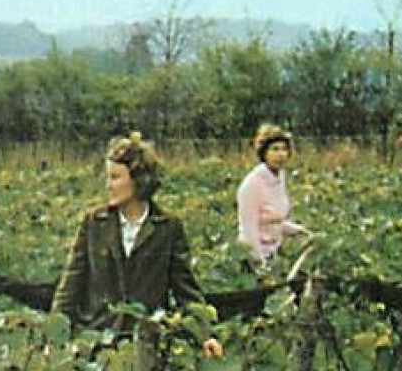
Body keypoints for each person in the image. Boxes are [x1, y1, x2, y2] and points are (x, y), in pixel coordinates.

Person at [51, 132, 210, 329]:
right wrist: (54, 331)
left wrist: (205, 334)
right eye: (108, 178)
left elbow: (187, 292)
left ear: (138, 179)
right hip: (97, 335)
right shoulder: (94, 223)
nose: (108, 185)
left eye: (115, 177)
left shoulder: (168, 228)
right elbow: (71, 283)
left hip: (147, 338)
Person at [235, 123, 310, 273]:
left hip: (273, 253)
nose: (281, 155)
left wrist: (298, 231)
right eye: (275, 149)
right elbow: (250, 228)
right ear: (264, 153)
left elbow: (273, 221)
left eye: (284, 149)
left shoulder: (279, 178)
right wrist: (260, 265)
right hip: (254, 258)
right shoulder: (252, 184)